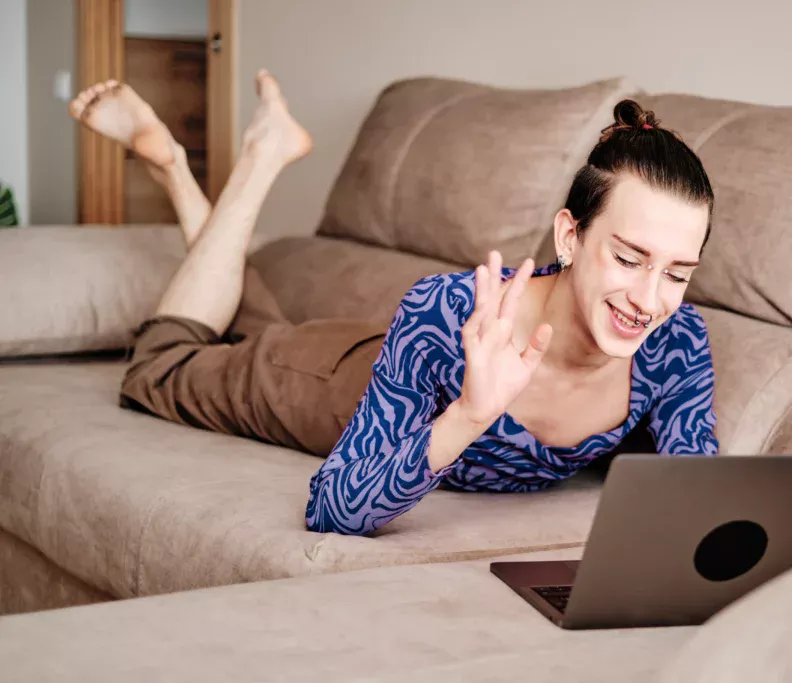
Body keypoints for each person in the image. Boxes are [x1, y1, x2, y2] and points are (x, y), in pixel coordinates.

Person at [70, 72, 718, 538]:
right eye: (629, 259)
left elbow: (696, 494)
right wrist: (470, 412)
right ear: (570, 235)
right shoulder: (447, 313)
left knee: (250, 318)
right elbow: (334, 508)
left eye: (677, 272)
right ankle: (238, 161)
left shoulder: (677, 341)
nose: (647, 299)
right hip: (330, 385)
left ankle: (188, 180)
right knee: (160, 365)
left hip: (382, 364)